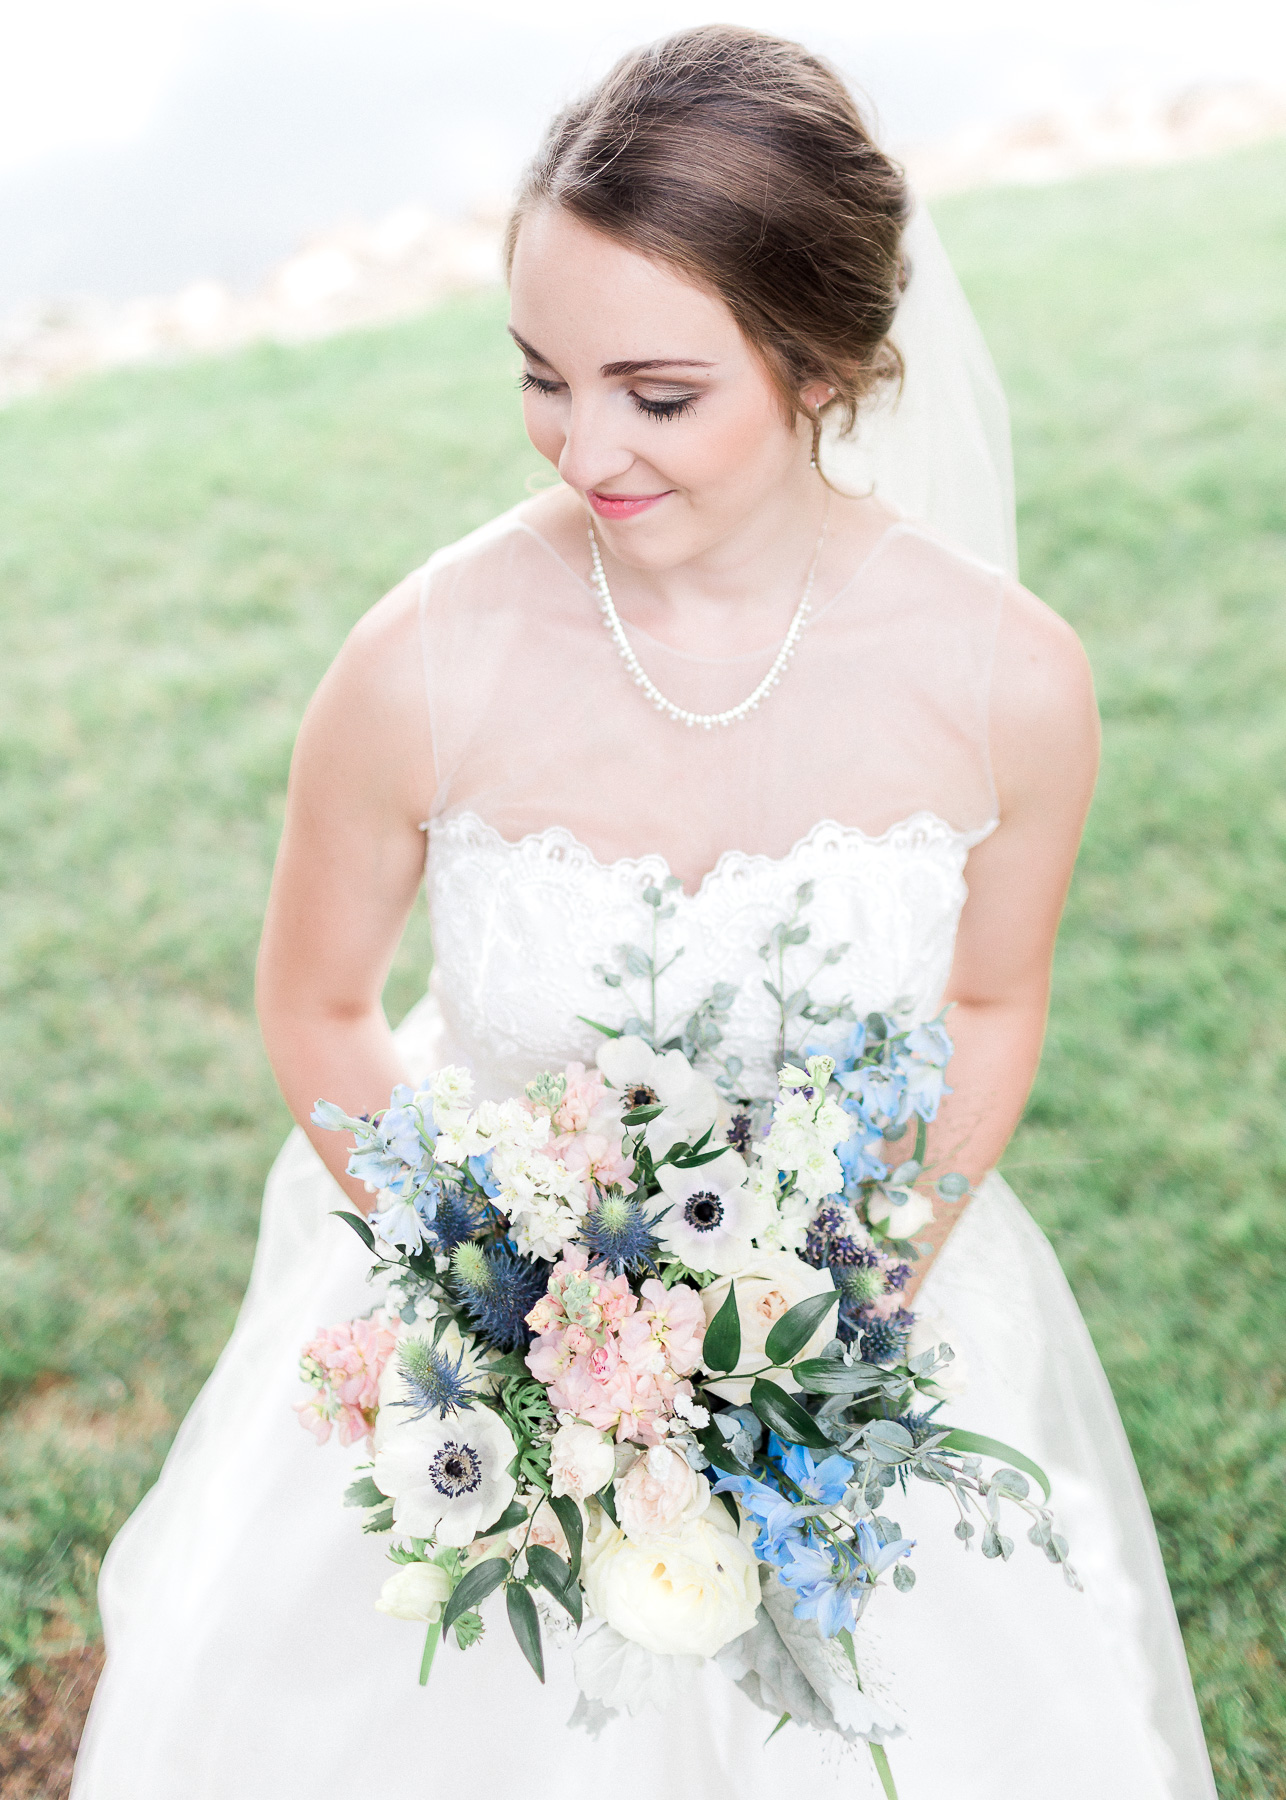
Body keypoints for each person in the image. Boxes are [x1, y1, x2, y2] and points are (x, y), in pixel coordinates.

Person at [72, 26, 1216, 1799]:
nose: (580, 447)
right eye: (541, 374)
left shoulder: (1009, 682)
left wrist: (851, 1307)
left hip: (853, 1336)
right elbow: (316, 1005)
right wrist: (503, 1306)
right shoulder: (419, 664)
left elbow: (989, 1010)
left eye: (654, 393)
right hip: (484, 1368)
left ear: (824, 359)